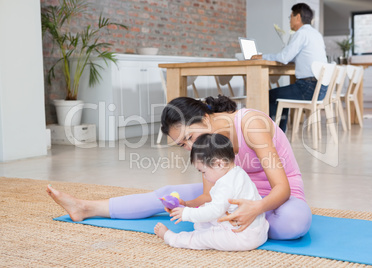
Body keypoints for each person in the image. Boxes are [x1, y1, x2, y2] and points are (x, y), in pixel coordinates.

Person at [47, 95, 312, 240]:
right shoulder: (207, 144)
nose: (188, 146)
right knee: (171, 195)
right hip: (234, 195)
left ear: (206, 117)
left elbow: (283, 187)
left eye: (188, 137)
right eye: (181, 144)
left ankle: (247, 219)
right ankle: (86, 207)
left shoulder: (251, 125)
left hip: (277, 196)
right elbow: (210, 195)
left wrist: (255, 208)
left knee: (292, 223)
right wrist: (187, 204)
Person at [154, 133, 269, 251]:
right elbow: (218, 207)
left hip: (242, 236)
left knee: (203, 238)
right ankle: (205, 226)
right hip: (259, 230)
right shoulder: (237, 172)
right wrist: (189, 207)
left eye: (203, 172)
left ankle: (173, 238)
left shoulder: (226, 184)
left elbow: (214, 211)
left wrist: (186, 214)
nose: (204, 177)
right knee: (206, 209)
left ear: (219, 164)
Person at [251, 3, 327, 132]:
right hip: (321, 88)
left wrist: (262, 56)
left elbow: (284, 58)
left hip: (308, 88)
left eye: (290, 16)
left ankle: (273, 134)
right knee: (282, 96)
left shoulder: (301, 34)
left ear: (297, 17)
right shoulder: (316, 34)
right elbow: (290, 57)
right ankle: (280, 132)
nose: (289, 20)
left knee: (271, 95)